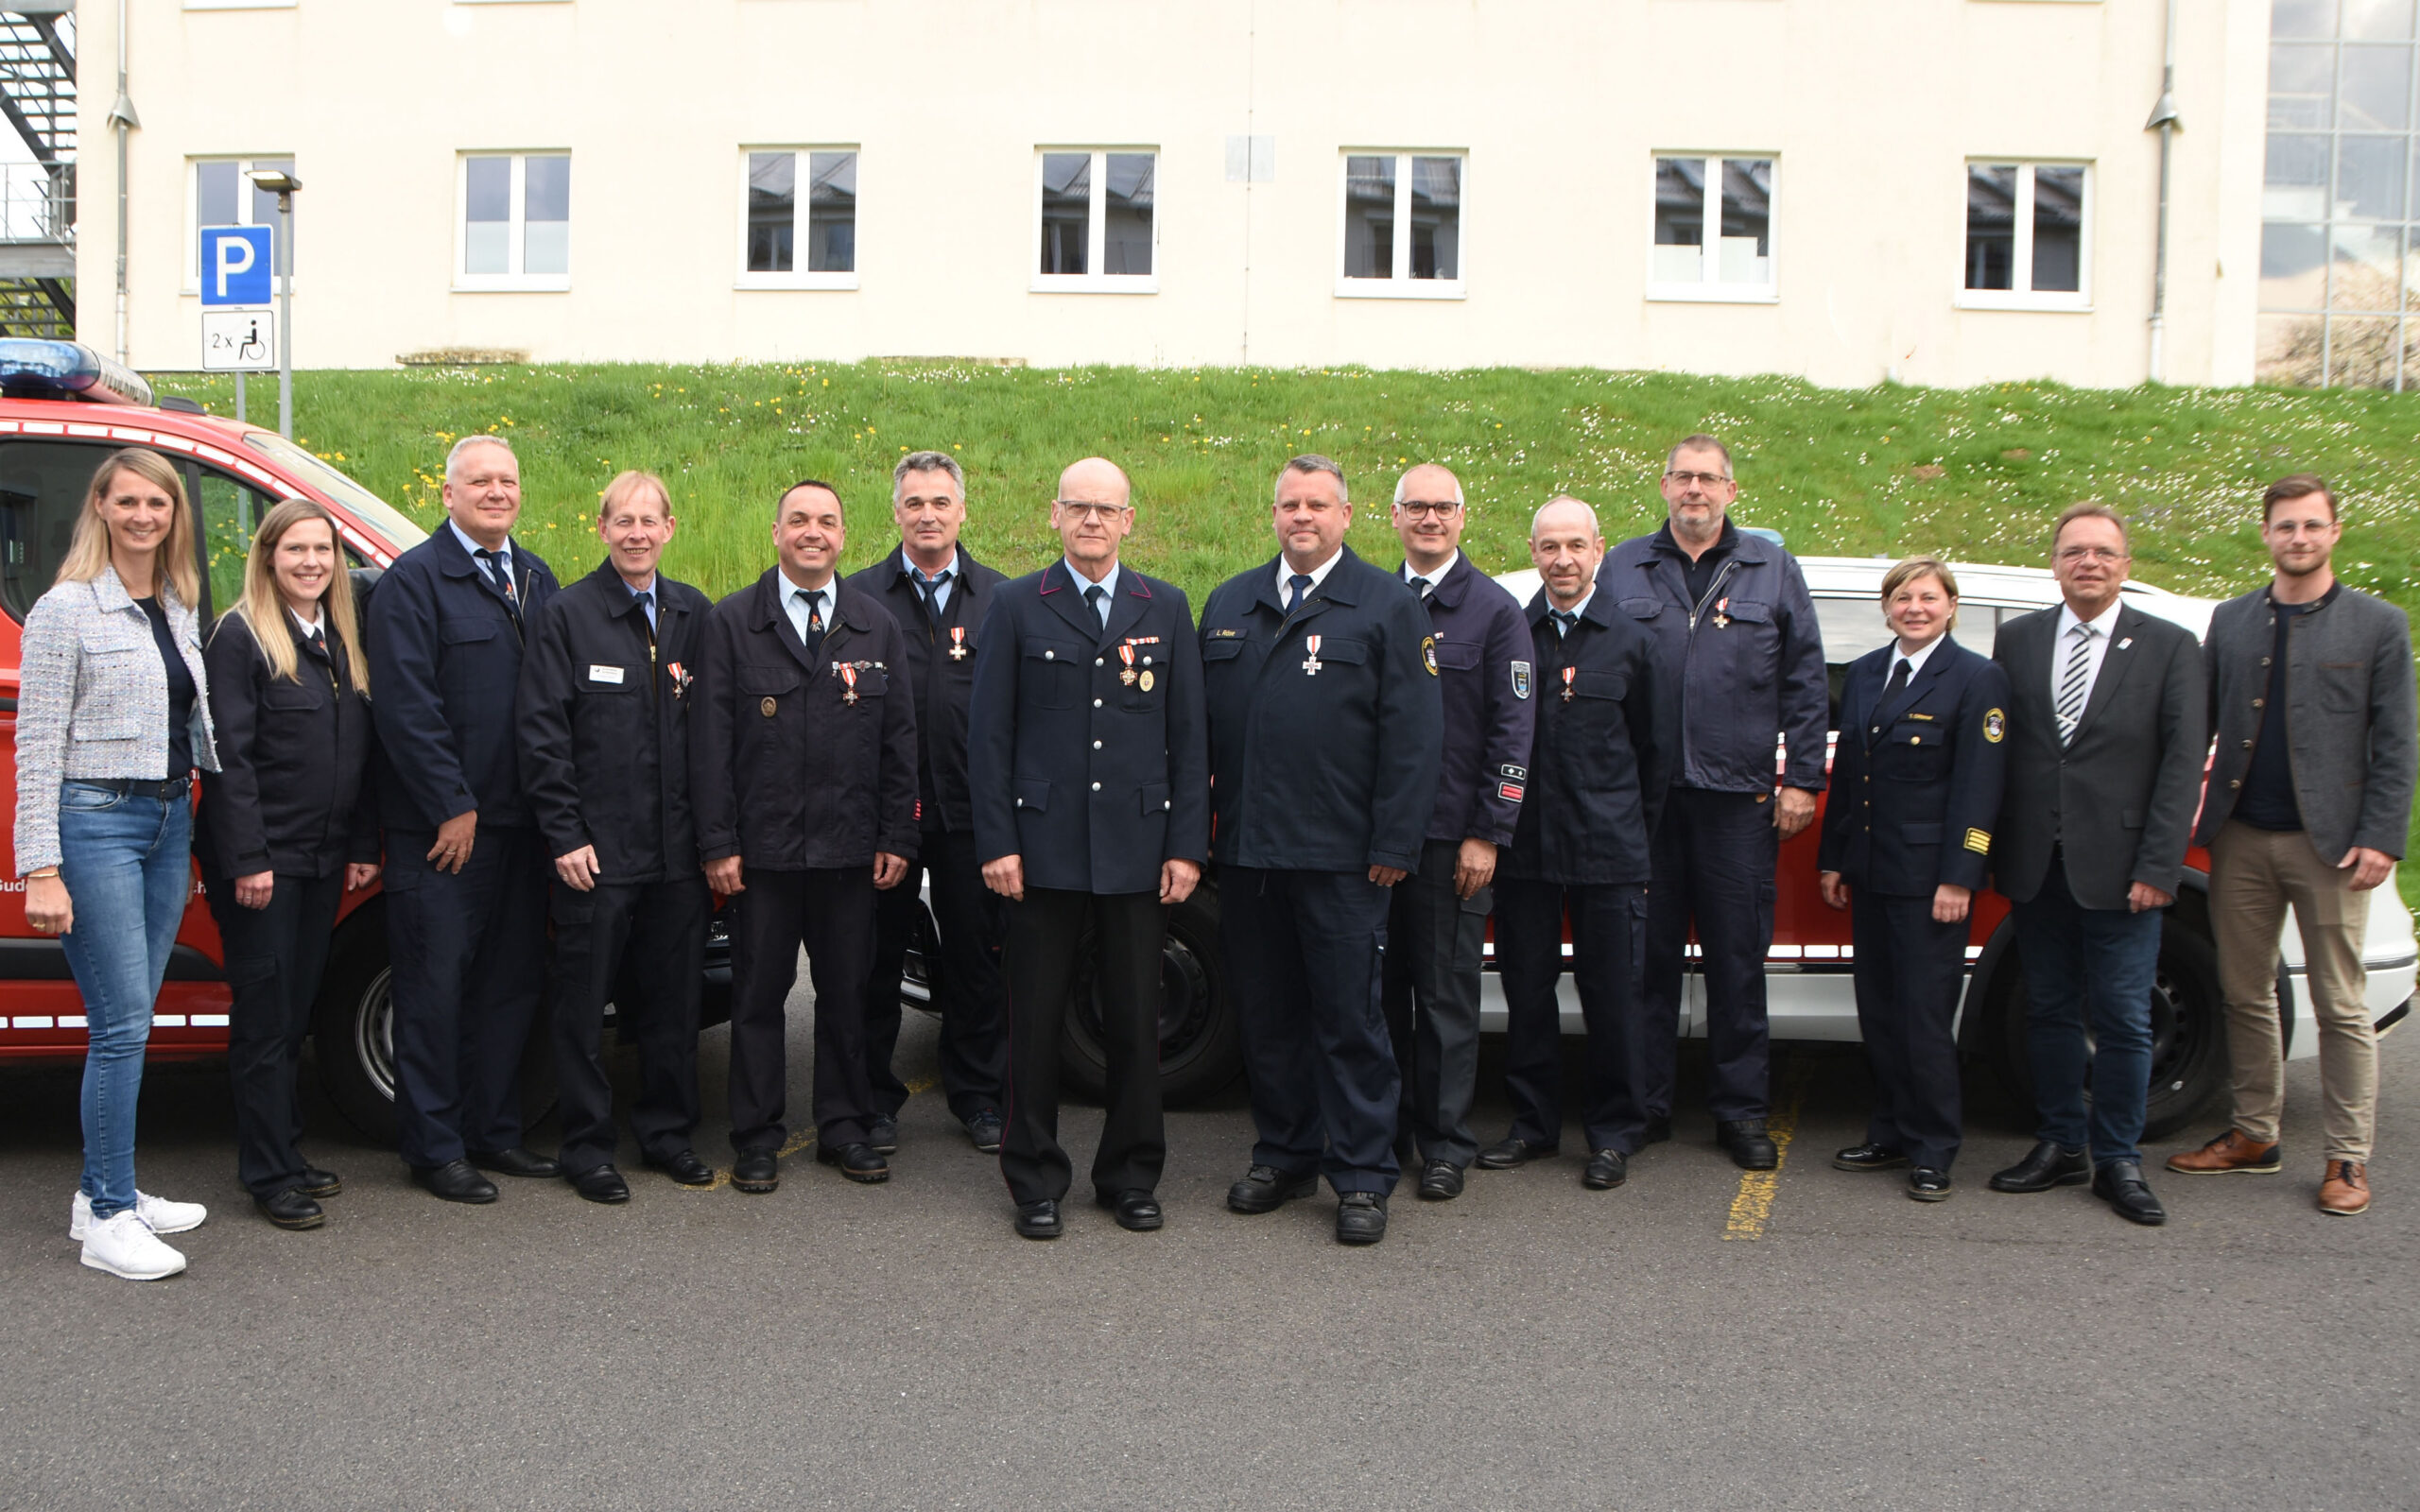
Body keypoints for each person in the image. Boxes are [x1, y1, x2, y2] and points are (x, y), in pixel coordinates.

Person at [1198, 455, 1443, 1246]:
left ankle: (1363, 1173)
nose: (1301, 516)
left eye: (1317, 504)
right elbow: (1198, 733)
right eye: (1289, 504)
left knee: (1350, 1021)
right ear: (1273, 514)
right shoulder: (1231, 601)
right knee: (1268, 1018)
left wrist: (1396, 840)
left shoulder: (1387, 604)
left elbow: (1415, 737)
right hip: (1249, 855)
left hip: (1344, 859)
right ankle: (1285, 1154)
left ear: (1347, 515)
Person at [969, 457, 1208, 1240]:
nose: (1093, 521)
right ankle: (1035, 1180)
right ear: (1055, 515)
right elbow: (989, 736)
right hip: (1040, 852)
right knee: (1035, 1024)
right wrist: (998, 842)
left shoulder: (1164, 606)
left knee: (1136, 1023)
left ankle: (1130, 1177)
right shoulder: (1015, 604)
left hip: (1137, 849)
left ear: (1129, 520)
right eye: (1079, 507)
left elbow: (1188, 738)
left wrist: (1186, 846)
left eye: (1107, 509)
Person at [2168, 475, 2415, 1216]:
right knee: (2245, 993)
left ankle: (2347, 1157)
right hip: (2240, 837)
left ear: (2334, 532)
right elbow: (2198, 726)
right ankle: (2254, 1134)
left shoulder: (2378, 625)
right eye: (2285, 526)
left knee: (2340, 1002)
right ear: (2266, 534)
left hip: (2330, 846)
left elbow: (2396, 742)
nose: (2298, 538)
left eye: (2311, 525)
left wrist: (2381, 837)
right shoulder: (2233, 619)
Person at [16, 448, 218, 1280]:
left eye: (157, 503)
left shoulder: (175, 601)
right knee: (122, 1024)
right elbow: (37, 744)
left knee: (135, 1016)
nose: (143, 516)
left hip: (168, 820)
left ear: (174, 515)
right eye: (127, 501)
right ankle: (107, 1216)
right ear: (100, 506)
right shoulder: (65, 608)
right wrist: (41, 867)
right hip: (96, 821)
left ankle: (106, 1190)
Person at [1602, 435, 1826, 1171]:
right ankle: (1645, 1109)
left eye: (1708, 478)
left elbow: (1806, 678)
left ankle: (1742, 1113)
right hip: (1648, 805)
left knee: (1737, 965)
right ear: (1664, 486)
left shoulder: (1772, 568)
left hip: (1738, 801)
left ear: (1732, 491)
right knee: (1646, 965)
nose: (1694, 489)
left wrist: (1803, 779)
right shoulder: (1623, 566)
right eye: (1683, 477)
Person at [692, 479, 918, 1194]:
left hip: (850, 853)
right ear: (776, 533)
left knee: (848, 996)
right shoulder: (733, 622)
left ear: (844, 536)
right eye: (798, 520)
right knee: (758, 1000)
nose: (812, 532)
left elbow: (899, 743)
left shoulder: (875, 625)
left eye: (825, 521)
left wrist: (897, 836)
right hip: (761, 856)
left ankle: (845, 1128)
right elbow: (710, 746)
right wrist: (718, 844)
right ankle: (757, 1137)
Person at [1986, 504, 2204, 1226]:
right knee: (2048, 1009)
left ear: (2125, 565)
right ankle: (2060, 1144)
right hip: (2037, 862)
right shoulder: (2018, 640)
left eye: (2104, 552)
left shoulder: (2170, 646)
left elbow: (2181, 767)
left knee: (2123, 1018)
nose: (2089, 562)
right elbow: (2001, 750)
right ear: (2054, 564)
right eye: (2075, 551)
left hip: (2123, 868)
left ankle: (2117, 1160)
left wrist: (2159, 866)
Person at [367, 435, 561, 1205]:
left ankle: (494, 1131)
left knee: (508, 988)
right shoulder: (413, 583)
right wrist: (451, 803)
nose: (495, 491)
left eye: (506, 480)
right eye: (479, 481)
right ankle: (435, 1148)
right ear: (447, 494)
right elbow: (406, 707)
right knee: (433, 990)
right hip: (445, 835)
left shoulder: (535, 577)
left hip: (522, 827)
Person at [517, 471, 716, 1204]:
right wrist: (565, 834)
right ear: (601, 528)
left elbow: (715, 734)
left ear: (669, 529)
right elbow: (541, 734)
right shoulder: (567, 616)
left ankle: (667, 1135)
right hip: (596, 855)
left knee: (673, 1003)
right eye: (622, 521)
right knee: (582, 1007)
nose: (636, 534)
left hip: (677, 855)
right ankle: (587, 1147)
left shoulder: (695, 614)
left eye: (648, 520)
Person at [198, 498, 382, 1231]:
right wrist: (248, 858)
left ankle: (288, 1150)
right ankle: (268, 1174)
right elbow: (229, 761)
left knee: (295, 1009)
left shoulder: (338, 637)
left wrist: (361, 845)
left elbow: (359, 752)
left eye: (322, 550)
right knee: (266, 1020)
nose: (311, 562)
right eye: (295, 549)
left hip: (322, 858)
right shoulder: (240, 636)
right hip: (264, 865)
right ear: (267, 557)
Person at [1485, 497, 1669, 1192]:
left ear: (1599, 549)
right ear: (1533, 552)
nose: (1562, 560)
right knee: (1527, 992)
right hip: (1526, 849)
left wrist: (1631, 834)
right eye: (1549, 547)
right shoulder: (1512, 632)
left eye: (1575, 546)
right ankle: (1532, 1126)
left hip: (1608, 850)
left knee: (1614, 997)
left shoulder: (1635, 641)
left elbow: (1657, 753)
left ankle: (1615, 1134)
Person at [1816, 557, 2010, 1202]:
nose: (1914, 608)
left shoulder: (1977, 678)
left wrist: (1961, 876)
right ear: (1887, 608)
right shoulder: (1867, 672)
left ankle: (1933, 1148)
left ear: (1951, 606)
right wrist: (1835, 858)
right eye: (1902, 598)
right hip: (1873, 873)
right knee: (1880, 1013)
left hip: (1931, 882)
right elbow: (1851, 778)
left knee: (1924, 1020)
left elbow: (1980, 787)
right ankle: (1891, 1131)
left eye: (1928, 597)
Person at [846, 451, 1011, 1157]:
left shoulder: (1002, 599)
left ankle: (979, 1096)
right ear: (896, 513)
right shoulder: (857, 598)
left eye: (941, 502)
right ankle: (871, 1101)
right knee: (874, 960)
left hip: (973, 812)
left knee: (978, 960)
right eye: (914, 503)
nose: (928, 515)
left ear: (963, 511)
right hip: (884, 815)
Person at [1383, 464, 1533, 1201]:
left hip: (1451, 842)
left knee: (1444, 999)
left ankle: (1443, 1143)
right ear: (1394, 517)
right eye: (1417, 506)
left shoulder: (1496, 612)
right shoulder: (1375, 600)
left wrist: (1489, 833)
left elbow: (1514, 732)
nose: (1430, 519)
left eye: (1443, 507)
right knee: (1377, 997)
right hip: (1376, 841)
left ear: (1463, 517)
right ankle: (1380, 1134)